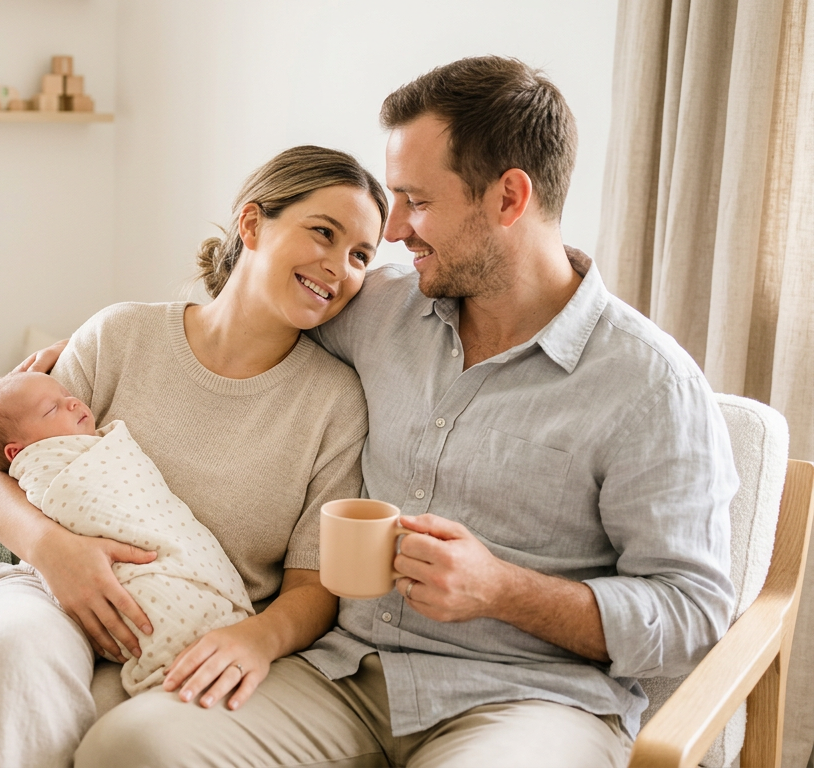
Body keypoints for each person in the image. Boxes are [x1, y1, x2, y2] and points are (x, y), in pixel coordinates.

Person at [73, 56, 738, 768]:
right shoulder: (381, 309)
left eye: (415, 200)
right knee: (131, 745)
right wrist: (91, 349)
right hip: (341, 678)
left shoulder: (649, 384)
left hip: (526, 701)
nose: (393, 230)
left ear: (509, 198)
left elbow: (694, 612)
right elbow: (244, 316)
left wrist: (503, 590)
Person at [0, 145, 388, 768]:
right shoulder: (121, 335)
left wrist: (256, 640)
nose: (338, 266)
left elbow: (313, 582)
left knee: (123, 737)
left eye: (361, 256)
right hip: (51, 594)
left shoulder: (335, 403)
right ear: (252, 223)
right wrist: (56, 555)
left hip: (192, 629)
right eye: (324, 232)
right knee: (9, 656)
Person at [0, 370, 255, 695]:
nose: (73, 402)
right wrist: (48, 546)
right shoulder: (45, 464)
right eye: (52, 409)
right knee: (4, 651)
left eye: (66, 395)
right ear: (16, 454)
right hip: (50, 573)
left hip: (164, 571)